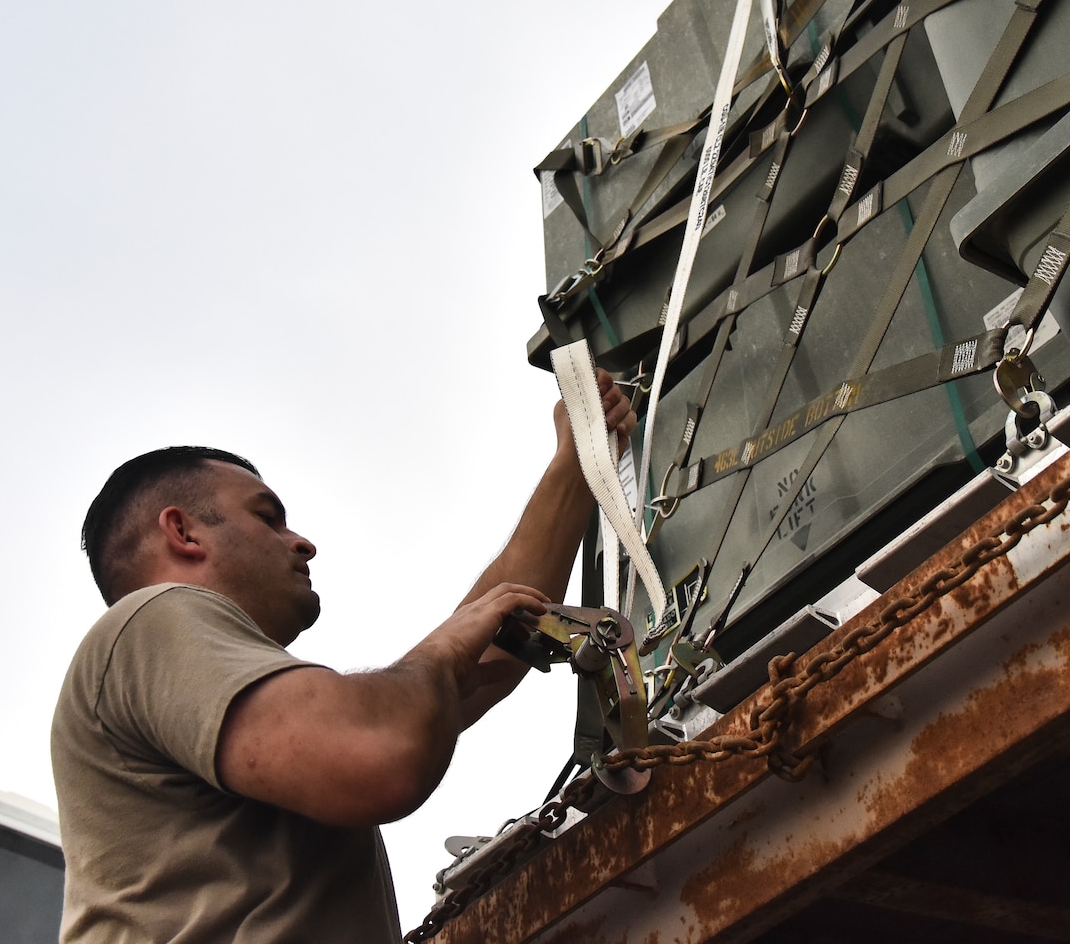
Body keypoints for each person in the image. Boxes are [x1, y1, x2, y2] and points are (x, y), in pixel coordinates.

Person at [50, 371, 636, 943]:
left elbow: (480, 663)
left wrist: (580, 459)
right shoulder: (151, 618)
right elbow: (381, 749)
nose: (302, 541)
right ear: (183, 533)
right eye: (267, 517)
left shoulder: (202, 699)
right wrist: (441, 649)